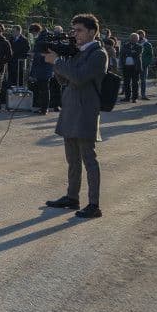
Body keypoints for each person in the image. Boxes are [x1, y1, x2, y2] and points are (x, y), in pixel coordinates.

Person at [43, 13, 108, 219]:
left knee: (89, 159)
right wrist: (57, 63)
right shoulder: (78, 52)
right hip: (71, 109)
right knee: (72, 159)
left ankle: (94, 204)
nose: (75, 34)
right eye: (74, 30)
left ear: (92, 32)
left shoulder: (98, 54)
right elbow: (65, 80)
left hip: (86, 111)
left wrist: (59, 62)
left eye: (79, 30)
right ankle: (72, 197)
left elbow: (80, 77)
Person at [29, 23, 55, 116]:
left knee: (44, 89)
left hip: (44, 67)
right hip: (43, 67)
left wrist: (34, 54)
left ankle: (44, 109)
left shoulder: (43, 39)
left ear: (36, 31)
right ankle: (43, 107)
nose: (33, 35)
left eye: (32, 33)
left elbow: (45, 54)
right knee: (42, 88)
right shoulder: (44, 37)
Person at [120, 33, 143, 102]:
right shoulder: (125, 45)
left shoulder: (139, 46)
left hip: (135, 67)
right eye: (132, 38)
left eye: (135, 38)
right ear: (130, 38)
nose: (134, 39)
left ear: (137, 39)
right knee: (126, 82)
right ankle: (127, 97)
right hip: (126, 66)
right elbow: (122, 52)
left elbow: (137, 53)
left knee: (135, 83)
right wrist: (132, 52)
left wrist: (129, 52)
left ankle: (134, 98)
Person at [137, 30, 154, 100]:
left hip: (144, 65)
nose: (141, 36)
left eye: (142, 35)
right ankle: (136, 94)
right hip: (135, 64)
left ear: (144, 35)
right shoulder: (135, 43)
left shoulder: (147, 44)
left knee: (143, 80)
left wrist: (146, 63)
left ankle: (143, 94)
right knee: (135, 80)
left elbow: (150, 55)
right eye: (139, 35)